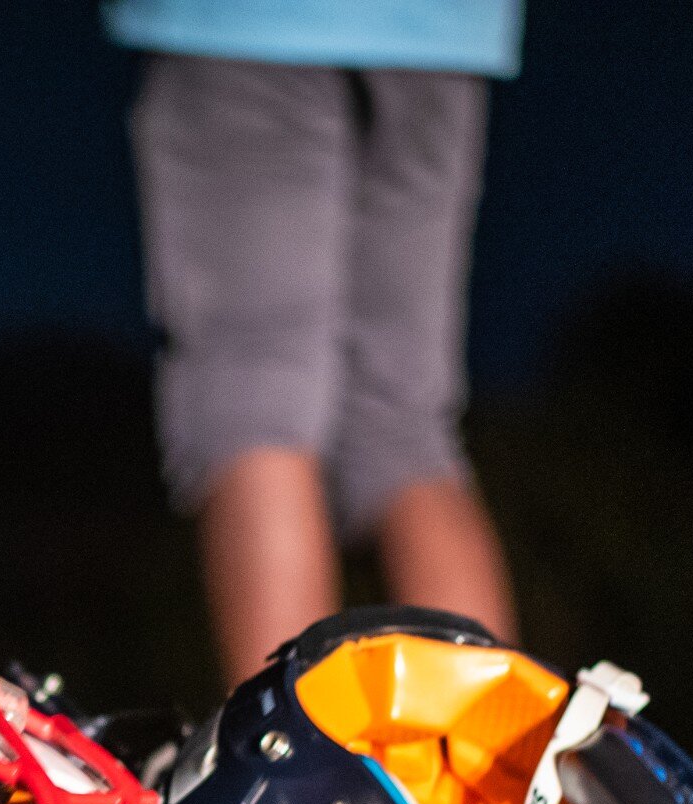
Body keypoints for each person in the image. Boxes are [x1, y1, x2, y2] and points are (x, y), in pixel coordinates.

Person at [110, 0, 524, 683]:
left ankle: (288, 780)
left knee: (256, 397)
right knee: (406, 430)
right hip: (449, 30)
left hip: (253, 22)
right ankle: (488, 781)